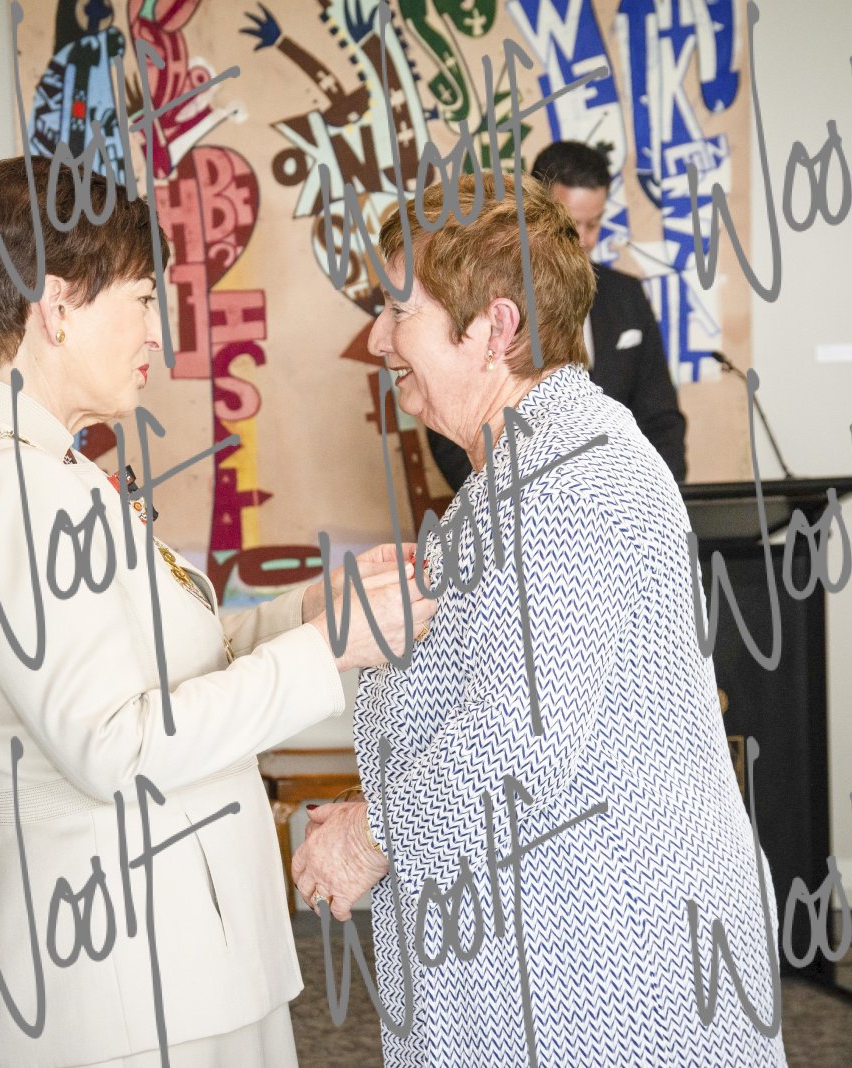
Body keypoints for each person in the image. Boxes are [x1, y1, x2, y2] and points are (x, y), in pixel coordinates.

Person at [0, 155, 433, 1067]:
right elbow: (115, 746)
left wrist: (309, 612)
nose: (161, 331)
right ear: (57, 307)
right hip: (124, 961)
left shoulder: (34, 465)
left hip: (162, 950)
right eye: (144, 299)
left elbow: (155, 659)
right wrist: (326, 650)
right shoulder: (15, 489)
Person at [293, 174, 786, 1066]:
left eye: (398, 311)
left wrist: (371, 837)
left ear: (496, 328)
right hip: (563, 947)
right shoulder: (526, 467)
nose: (377, 339)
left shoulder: (576, 477)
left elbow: (516, 743)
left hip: (610, 961)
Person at [426, 140, 688, 486]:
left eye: (593, 224)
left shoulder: (627, 296)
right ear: (534, 213)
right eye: (570, 224)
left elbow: (661, 421)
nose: (583, 240)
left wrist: (657, 496)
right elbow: (449, 431)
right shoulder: (485, 298)